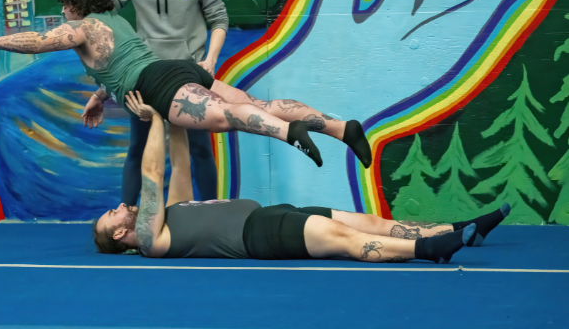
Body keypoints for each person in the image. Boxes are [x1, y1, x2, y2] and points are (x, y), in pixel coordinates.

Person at [0, 0, 372, 169]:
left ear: (73, 3)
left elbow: (38, 42)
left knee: (226, 117)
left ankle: (290, 134)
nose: (63, 11)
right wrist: (96, 98)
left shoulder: (81, 27)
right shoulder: (114, 22)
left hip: (158, 85)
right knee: (254, 102)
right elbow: (116, 67)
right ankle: (339, 127)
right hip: (174, 70)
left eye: (64, 4)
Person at [93, 93, 511, 262]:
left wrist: (170, 107)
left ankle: (460, 229)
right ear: (118, 236)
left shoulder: (168, 214)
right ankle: (430, 249)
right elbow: (151, 174)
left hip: (274, 215)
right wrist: (149, 119)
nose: (117, 208)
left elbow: (178, 165)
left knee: (369, 222)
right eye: (110, 216)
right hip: (261, 235)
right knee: (346, 241)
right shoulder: (150, 238)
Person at [89, 0, 227, 205]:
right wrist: (102, 90)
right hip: (144, 77)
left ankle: (212, 214)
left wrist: (211, 59)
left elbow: (219, 19)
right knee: (137, 147)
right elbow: (102, 21)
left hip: (187, 74)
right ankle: (126, 214)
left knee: (201, 148)